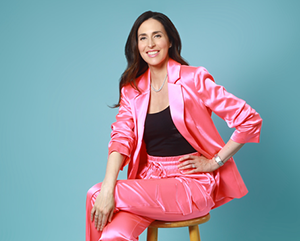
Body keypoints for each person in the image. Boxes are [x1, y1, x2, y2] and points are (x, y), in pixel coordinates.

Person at [86, 11, 262, 241]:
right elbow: (120, 139)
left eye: (157, 36)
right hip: (148, 183)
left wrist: (214, 162)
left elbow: (249, 120)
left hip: (190, 183)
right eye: (143, 38)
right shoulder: (132, 90)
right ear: (136, 45)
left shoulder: (193, 79)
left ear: (169, 41)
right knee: (112, 233)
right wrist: (109, 186)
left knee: (95, 193)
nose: (150, 44)